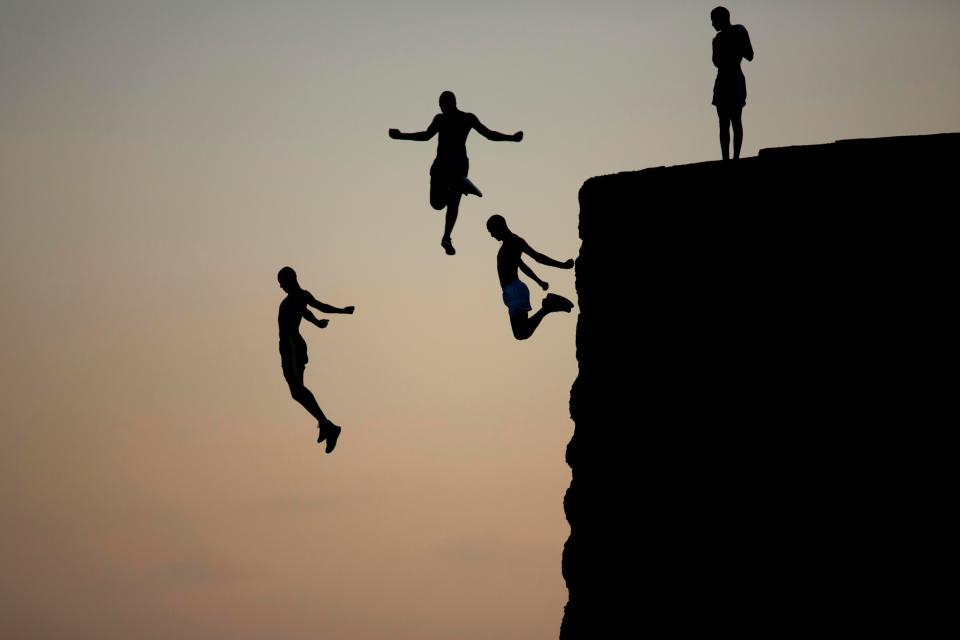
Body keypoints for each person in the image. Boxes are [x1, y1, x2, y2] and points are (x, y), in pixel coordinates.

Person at [389, 91, 523, 256]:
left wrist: (511, 138)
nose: (442, 109)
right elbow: (426, 136)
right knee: (438, 204)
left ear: (450, 103)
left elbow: (488, 134)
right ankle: (458, 186)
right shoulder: (451, 118)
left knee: (452, 202)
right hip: (452, 166)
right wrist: (401, 136)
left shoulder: (459, 118)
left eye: (443, 106)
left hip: (449, 165)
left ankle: (447, 236)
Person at [277, 266, 354, 453]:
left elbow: (319, 305)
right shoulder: (292, 300)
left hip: (293, 346)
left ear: (291, 279)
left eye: (282, 282)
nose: (280, 287)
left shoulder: (301, 295)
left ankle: (327, 425)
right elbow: (305, 313)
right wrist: (317, 322)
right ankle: (326, 424)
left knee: (297, 389)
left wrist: (342, 311)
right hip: (287, 348)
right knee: (295, 392)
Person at [486, 214, 575, 340]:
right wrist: (539, 281)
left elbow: (537, 257)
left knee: (521, 333)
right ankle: (549, 307)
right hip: (511, 292)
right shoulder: (508, 244)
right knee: (521, 332)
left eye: (492, 231)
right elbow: (522, 266)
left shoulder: (514, 241)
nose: (492, 236)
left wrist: (563, 265)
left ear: (499, 227)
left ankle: (548, 307)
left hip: (515, 290)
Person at [710, 6, 754, 160]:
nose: (712, 24)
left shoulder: (739, 31)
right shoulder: (717, 40)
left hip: (734, 79)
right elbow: (716, 62)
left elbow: (749, 54)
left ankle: (735, 158)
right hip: (723, 80)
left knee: (735, 120)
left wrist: (734, 46)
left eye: (713, 20)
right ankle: (726, 159)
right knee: (724, 123)